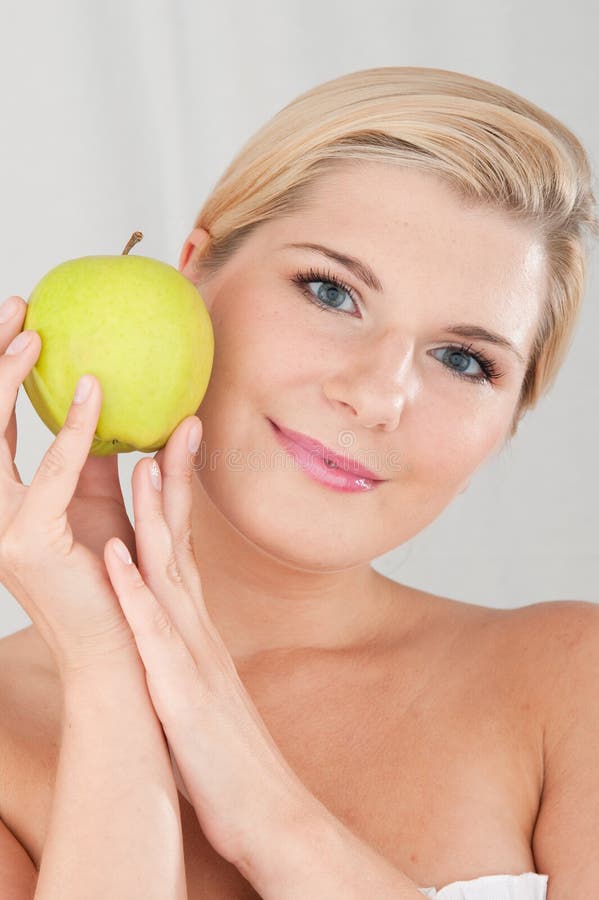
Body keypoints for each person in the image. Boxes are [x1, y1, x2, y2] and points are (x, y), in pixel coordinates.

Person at [0, 65, 597, 899]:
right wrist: (111, 681)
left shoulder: (573, 685)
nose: (377, 396)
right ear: (192, 277)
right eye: (331, 291)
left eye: (464, 359)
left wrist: (268, 812)